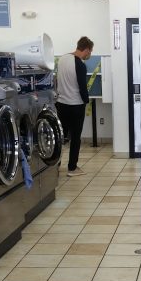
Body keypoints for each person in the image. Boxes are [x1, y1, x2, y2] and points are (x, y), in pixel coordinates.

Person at [56, 36, 93, 177]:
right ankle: (72, 168)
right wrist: (86, 101)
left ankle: (56, 166)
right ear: (87, 50)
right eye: (90, 52)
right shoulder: (80, 65)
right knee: (75, 138)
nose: (90, 55)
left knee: (61, 137)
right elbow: (82, 87)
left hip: (61, 104)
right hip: (76, 105)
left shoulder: (62, 59)